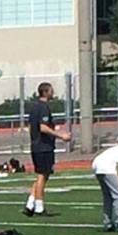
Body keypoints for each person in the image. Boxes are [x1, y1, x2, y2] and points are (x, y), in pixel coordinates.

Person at [23, 82, 71, 217]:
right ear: (45, 92)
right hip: (43, 146)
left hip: (37, 145)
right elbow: (43, 127)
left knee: (43, 174)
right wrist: (61, 135)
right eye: (51, 90)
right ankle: (39, 207)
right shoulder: (43, 108)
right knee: (42, 175)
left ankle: (30, 204)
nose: (53, 92)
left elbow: (31, 127)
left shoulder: (34, 107)